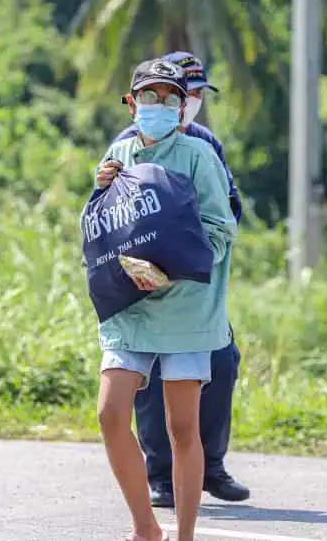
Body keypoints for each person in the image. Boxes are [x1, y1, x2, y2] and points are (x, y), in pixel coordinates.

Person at [92, 58, 236, 541]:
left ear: (181, 108)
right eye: (149, 97)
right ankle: (145, 527)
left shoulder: (200, 156)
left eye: (170, 98)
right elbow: (102, 228)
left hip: (186, 310)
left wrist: (173, 273)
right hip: (131, 308)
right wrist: (99, 193)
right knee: (111, 415)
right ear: (132, 103)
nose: (159, 105)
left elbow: (221, 228)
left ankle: (185, 536)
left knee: (181, 429)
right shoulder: (118, 153)